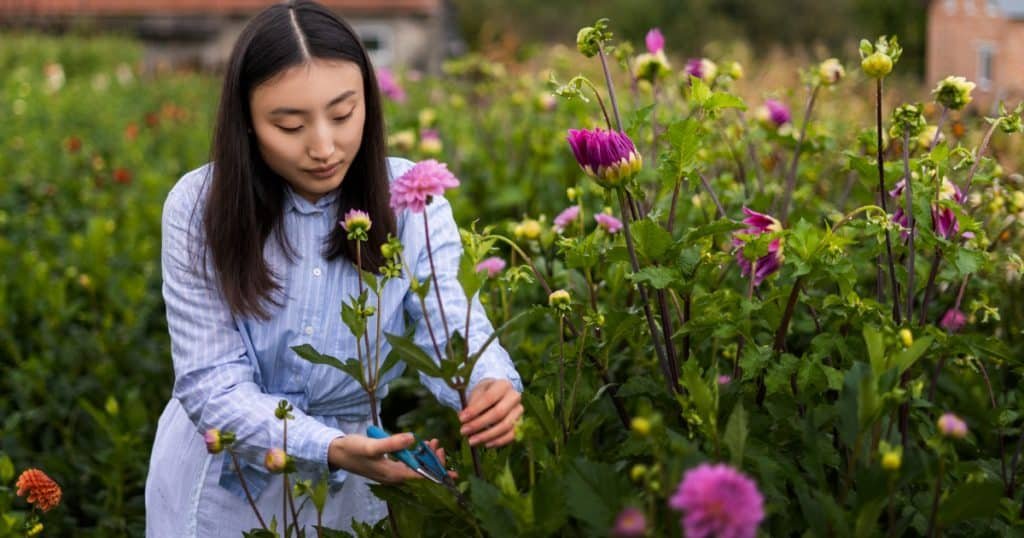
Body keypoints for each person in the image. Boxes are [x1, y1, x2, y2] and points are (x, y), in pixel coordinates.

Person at [144, 1, 523, 535]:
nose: (323, 147)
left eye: (343, 115)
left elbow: (452, 322)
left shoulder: (411, 200)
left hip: (359, 475)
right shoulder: (198, 206)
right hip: (226, 479)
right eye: (290, 125)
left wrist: (488, 384)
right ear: (247, 123)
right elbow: (212, 386)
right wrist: (328, 447)